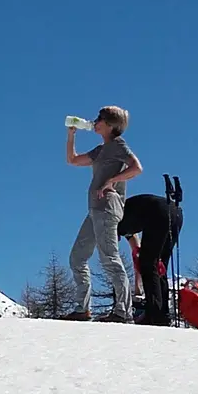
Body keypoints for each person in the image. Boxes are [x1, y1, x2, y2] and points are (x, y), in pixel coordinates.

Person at [66, 106, 141, 322]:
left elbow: (137, 168)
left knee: (109, 258)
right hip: (94, 209)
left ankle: (123, 312)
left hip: (107, 208)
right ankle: (83, 309)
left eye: (100, 119)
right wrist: (71, 135)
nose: (95, 121)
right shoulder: (101, 150)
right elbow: (72, 160)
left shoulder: (119, 146)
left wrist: (112, 181)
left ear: (110, 125)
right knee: (77, 258)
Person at [119, 192, 183, 326]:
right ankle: (163, 314)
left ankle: (154, 315)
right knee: (160, 265)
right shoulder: (125, 215)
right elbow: (136, 250)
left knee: (149, 264)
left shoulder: (111, 220)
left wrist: (138, 283)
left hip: (157, 212)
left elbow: (138, 256)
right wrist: (138, 285)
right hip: (175, 212)